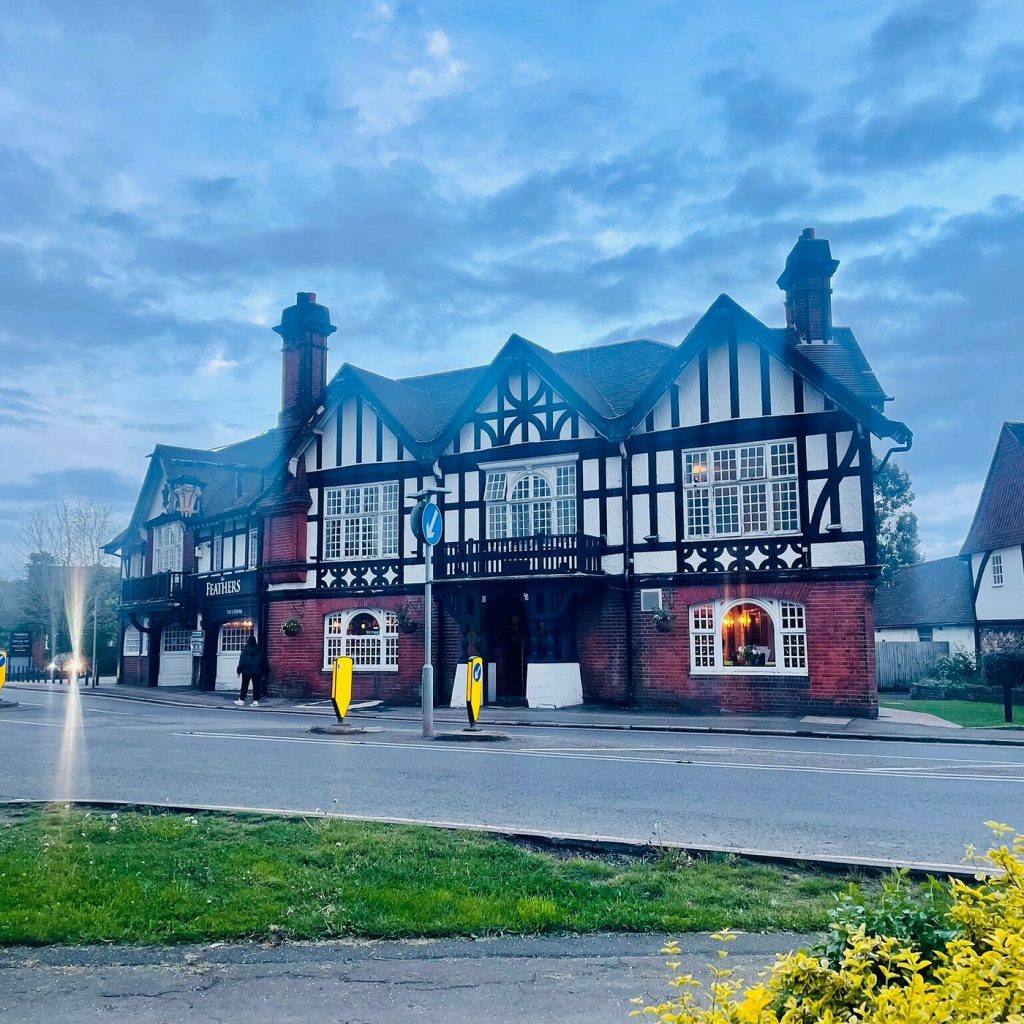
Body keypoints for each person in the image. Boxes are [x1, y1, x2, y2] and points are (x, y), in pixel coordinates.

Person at [234, 635, 265, 707]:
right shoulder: (259, 649)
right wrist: (263, 671)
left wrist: (238, 671)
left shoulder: (245, 649)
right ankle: (256, 701)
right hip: (257, 670)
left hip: (246, 670)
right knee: (256, 686)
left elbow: (241, 661)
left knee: (244, 685)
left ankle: (241, 700)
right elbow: (263, 661)